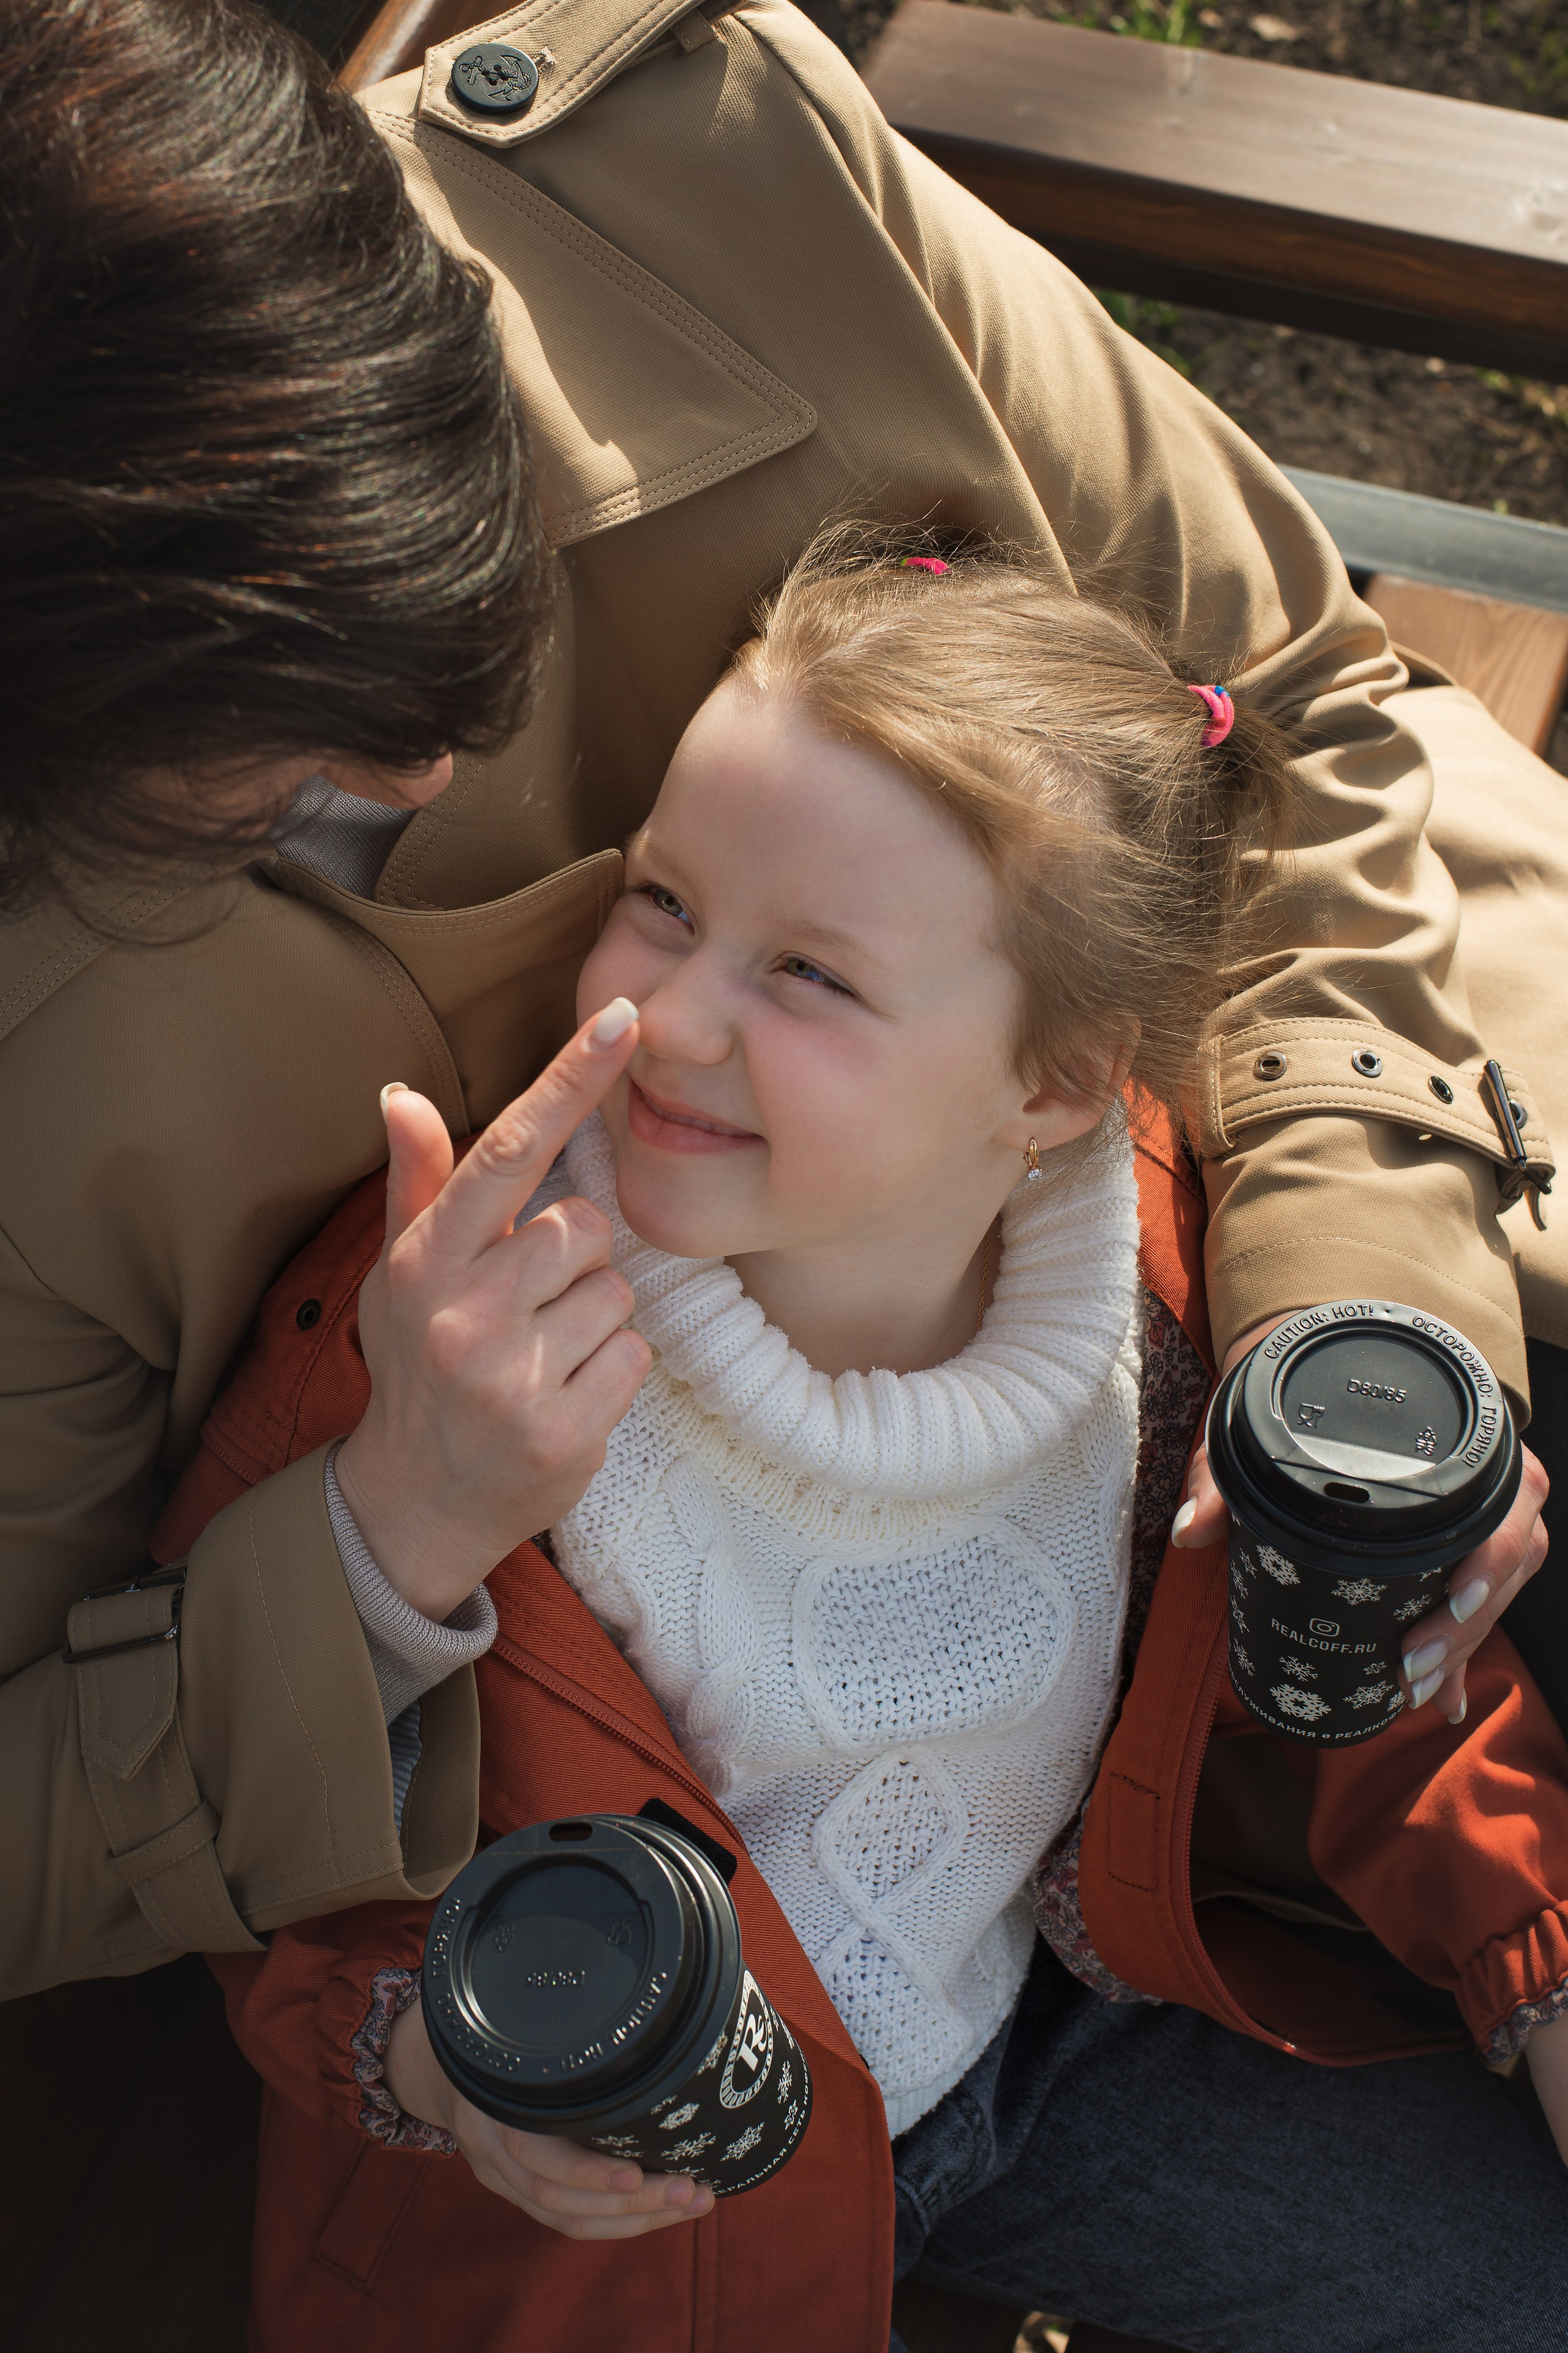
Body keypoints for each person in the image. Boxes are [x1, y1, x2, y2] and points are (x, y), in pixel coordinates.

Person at [0, 0, 1557, 1998]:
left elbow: (1288, 697)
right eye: (275, 734)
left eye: (451, 534)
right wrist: (378, 1551)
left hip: (1285, 1171)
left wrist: (1362, 1305)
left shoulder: (702, 158)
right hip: (588, 1941)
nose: (427, 762)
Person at [158, 543, 1568, 2352]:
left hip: (1034, 2038)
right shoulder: (454, 1343)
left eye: (810, 975)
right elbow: (243, 1804)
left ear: (1053, 1084)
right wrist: (435, 2061)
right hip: (627, 2211)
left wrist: (1538, 1965)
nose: (670, 1015)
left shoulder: (1160, 1287)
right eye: (663, 900)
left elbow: (1372, 1678)